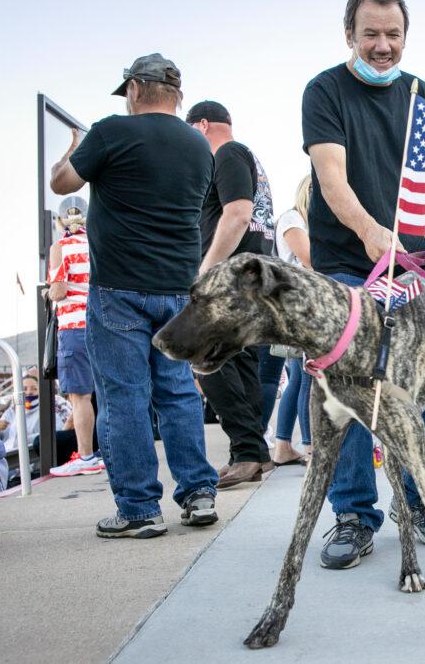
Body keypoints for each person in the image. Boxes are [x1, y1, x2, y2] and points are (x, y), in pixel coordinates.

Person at [49, 53, 220, 539]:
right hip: (177, 289)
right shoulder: (198, 145)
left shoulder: (109, 132)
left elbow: (62, 183)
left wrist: (73, 150)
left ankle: (140, 509)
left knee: (124, 398)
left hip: (118, 289)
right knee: (178, 391)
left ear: (135, 89)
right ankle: (198, 493)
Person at [303, 0, 425, 567]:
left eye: (393, 35)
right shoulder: (324, 90)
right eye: (371, 34)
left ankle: (421, 500)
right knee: (353, 390)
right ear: (349, 35)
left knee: (422, 384)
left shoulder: (421, 92)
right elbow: (330, 178)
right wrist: (367, 229)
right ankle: (354, 515)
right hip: (345, 256)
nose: (383, 46)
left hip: (412, 263)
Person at [186, 100, 276, 488]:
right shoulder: (247, 158)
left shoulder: (229, 153)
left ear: (202, 125)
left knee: (205, 358)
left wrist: (206, 270)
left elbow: (238, 213)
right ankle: (253, 453)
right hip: (251, 275)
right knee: (240, 366)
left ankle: (247, 449)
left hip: (231, 275)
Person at [46, 196, 103, 476]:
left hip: (74, 327)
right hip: (102, 323)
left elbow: (57, 290)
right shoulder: (99, 243)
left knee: (79, 396)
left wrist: (51, 291)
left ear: (61, 221)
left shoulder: (61, 247)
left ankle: (87, 456)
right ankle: (109, 451)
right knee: (106, 393)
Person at [272, 175, 314, 465]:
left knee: (298, 378)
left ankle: (283, 445)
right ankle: (311, 448)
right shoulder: (292, 220)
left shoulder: (301, 221)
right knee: (307, 377)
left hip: (298, 307)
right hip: (296, 308)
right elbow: (310, 260)